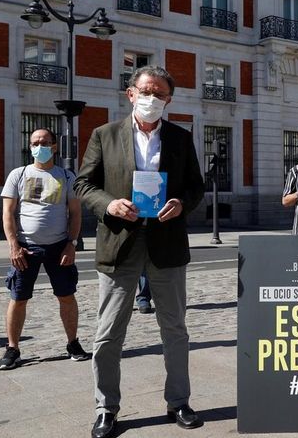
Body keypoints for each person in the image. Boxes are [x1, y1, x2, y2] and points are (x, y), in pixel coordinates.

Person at [74, 65, 206, 438]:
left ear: (169, 100)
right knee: (108, 332)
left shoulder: (181, 138)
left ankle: (178, 401)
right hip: (120, 243)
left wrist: (182, 202)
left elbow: (196, 187)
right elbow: (84, 184)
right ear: (130, 94)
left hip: (166, 244)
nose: (152, 99)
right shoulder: (105, 134)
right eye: (146, 91)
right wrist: (108, 204)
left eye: (160, 94)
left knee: (175, 329)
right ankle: (105, 408)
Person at [0, 128, 90, 370]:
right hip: (25, 247)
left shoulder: (66, 176)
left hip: (59, 247)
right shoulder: (18, 175)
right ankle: (12, 348)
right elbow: (8, 213)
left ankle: (73, 343)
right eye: (36, 142)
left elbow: (76, 212)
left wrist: (72, 244)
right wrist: (13, 245)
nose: (40, 146)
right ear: (30, 146)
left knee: (67, 296)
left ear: (54, 147)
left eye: (45, 142)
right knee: (18, 298)